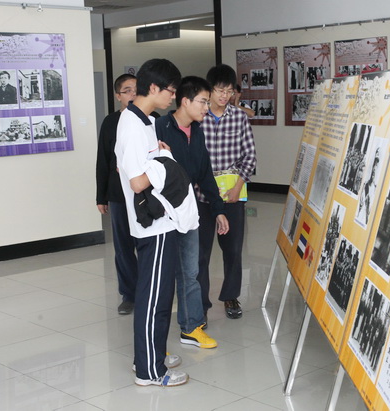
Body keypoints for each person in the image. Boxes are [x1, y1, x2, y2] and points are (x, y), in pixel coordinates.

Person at [115, 58, 195, 387]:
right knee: (154, 298)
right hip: (153, 224)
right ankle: (149, 370)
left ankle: (151, 354)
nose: (173, 98)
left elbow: (137, 164)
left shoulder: (145, 120)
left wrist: (157, 157)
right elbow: (136, 181)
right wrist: (163, 161)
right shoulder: (132, 125)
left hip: (161, 220)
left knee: (161, 295)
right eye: (170, 91)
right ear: (153, 88)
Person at [156, 76, 229, 348]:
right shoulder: (159, 128)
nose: (206, 108)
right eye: (203, 102)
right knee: (162, 276)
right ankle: (155, 335)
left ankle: (191, 327)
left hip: (188, 212)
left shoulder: (197, 131)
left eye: (208, 103)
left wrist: (218, 210)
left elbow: (205, 173)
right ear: (185, 101)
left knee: (190, 272)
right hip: (162, 215)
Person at [199, 64, 256, 319]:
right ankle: (200, 302)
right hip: (201, 196)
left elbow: (250, 155)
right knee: (200, 252)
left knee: (233, 249)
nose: (225, 96)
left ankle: (231, 296)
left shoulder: (239, 117)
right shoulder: (198, 117)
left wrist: (238, 186)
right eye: (220, 90)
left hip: (232, 194)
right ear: (209, 90)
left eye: (229, 91)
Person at [96, 74, 139, 315]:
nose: (133, 94)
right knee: (123, 246)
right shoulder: (110, 122)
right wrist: (100, 196)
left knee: (146, 244)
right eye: (127, 90)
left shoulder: (152, 119)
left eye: (136, 89)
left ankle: (148, 290)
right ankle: (129, 294)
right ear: (118, 96)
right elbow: (102, 159)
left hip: (145, 192)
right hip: (118, 192)